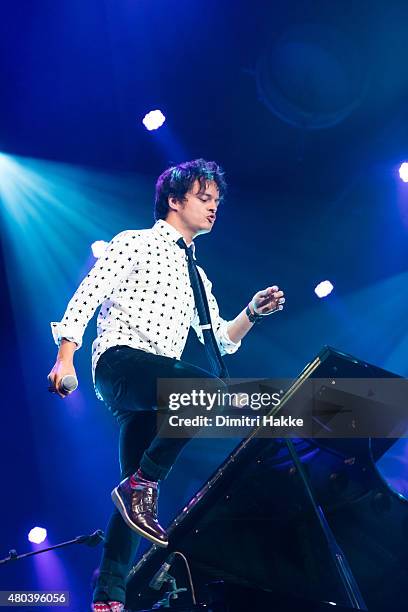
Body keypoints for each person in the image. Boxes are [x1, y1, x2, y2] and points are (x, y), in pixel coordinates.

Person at [48, 159, 285, 611]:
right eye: (203, 198)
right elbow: (87, 294)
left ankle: (108, 598)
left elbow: (221, 340)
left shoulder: (199, 274)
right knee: (209, 392)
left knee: (130, 505)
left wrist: (251, 313)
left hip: (157, 385)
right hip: (122, 364)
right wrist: (64, 358)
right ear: (174, 201)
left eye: (217, 201)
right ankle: (144, 483)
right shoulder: (134, 242)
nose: (213, 208)